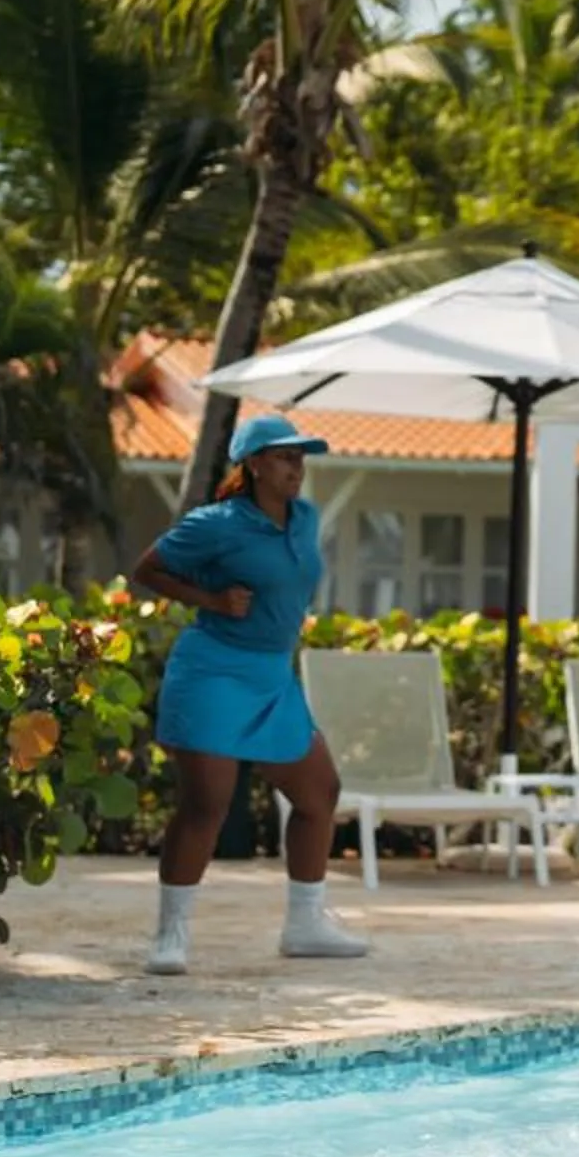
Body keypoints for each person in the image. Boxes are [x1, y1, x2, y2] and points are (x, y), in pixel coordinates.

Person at [129, 413, 371, 975]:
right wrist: (210, 601)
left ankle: (305, 925)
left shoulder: (305, 518)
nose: (297, 469)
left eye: (301, 459)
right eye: (286, 458)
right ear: (255, 464)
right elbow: (147, 569)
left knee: (319, 793)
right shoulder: (215, 524)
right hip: (213, 671)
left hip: (272, 675)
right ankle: (170, 935)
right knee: (206, 804)